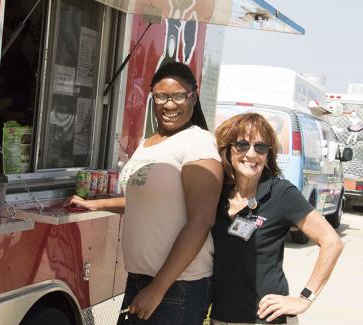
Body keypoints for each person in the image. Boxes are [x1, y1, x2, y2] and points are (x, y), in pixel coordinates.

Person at [65, 61, 223, 324]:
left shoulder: (198, 143)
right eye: (161, 96)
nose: (169, 105)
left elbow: (202, 221)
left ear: (192, 97)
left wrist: (158, 288)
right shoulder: (149, 142)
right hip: (141, 280)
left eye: (178, 96)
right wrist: (95, 204)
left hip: (177, 285)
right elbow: (144, 201)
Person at [211, 113, 344, 325]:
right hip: (217, 315)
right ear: (228, 149)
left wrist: (304, 299)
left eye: (261, 147)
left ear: (268, 154)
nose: (252, 154)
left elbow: (332, 242)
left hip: (263, 318)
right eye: (242, 145)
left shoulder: (281, 193)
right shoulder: (216, 191)